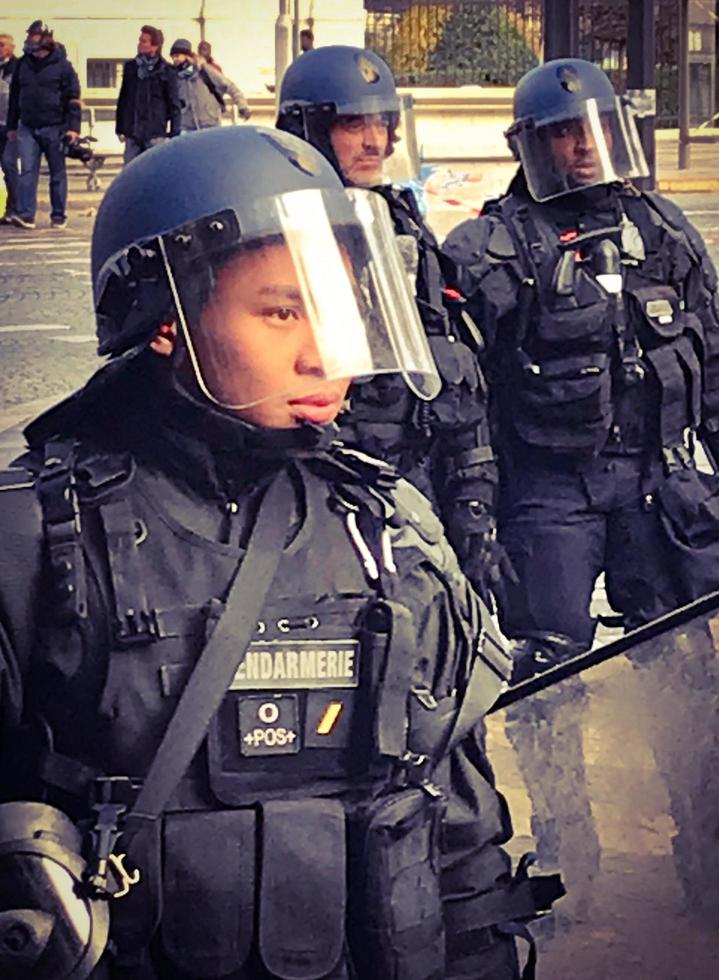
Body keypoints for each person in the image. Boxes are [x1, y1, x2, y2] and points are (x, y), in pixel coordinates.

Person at [0, 125, 562, 979]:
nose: (323, 353)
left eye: (338, 308)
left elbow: (461, 840)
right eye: (280, 309)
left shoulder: (390, 524)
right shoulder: (33, 536)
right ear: (165, 319)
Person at [442, 58, 719, 927]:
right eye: (563, 135)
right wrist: (473, 517)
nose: (583, 151)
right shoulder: (488, 252)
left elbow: (714, 361)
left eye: (594, 132)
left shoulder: (660, 229)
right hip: (549, 494)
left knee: (687, 669)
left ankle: (711, 874)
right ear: (531, 144)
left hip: (659, 484)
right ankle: (567, 873)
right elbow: (463, 397)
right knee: (548, 679)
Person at [276, 46, 511, 603]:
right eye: (353, 123)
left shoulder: (398, 220)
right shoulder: (277, 228)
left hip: (415, 475)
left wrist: (472, 500)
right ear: (309, 128)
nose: (375, 141)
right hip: (321, 480)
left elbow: (447, 360)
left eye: (383, 122)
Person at [6, 20, 80, 229]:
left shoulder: (63, 66)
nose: (29, 40)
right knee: (28, 171)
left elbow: (73, 98)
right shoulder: (23, 64)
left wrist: (73, 128)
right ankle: (26, 214)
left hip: (55, 127)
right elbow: (15, 97)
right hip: (27, 126)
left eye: (33, 36)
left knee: (57, 173)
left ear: (45, 40)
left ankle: (58, 215)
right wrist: (13, 125)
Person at [115, 25, 180, 165]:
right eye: (140, 40)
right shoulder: (131, 68)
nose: (140, 44)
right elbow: (123, 98)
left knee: (155, 173)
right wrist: (120, 127)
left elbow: (174, 103)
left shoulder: (166, 71)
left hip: (155, 134)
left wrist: (174, 133)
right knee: (130, 174)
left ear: (155, 46)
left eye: (144, 41)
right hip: (133, 132)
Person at [170, 37, 250, 131]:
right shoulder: (175, 77)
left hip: (210, 125)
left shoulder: (205, 71)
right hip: (187, 128)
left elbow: (230, 86)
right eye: (173, 57)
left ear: (187, 56)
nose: (175, 59)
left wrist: (243, 106)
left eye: (177, 56)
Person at [0, 33, 19, 222]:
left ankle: (15, 208)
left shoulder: (19, 67)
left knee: (9, 165)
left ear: (11, 47)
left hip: (11, 124)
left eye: (1, 45)